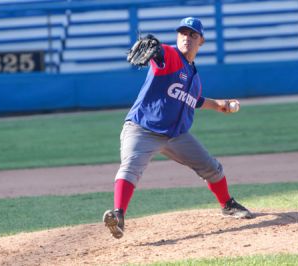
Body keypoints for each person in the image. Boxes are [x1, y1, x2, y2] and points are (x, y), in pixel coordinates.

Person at [103, 17, 253, 239]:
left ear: (201, 41)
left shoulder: (193, 76)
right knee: (130, 168)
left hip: (176, 136)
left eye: (193, 35)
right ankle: (118, 215)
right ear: (177, 37)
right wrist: (155, 50)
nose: (187, 38)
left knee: (212, 168)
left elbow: (194, 99)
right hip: (142, 129)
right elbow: (161, 52)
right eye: (183, 33)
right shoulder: (171, 56)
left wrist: (218, 105)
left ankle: (227, 204)